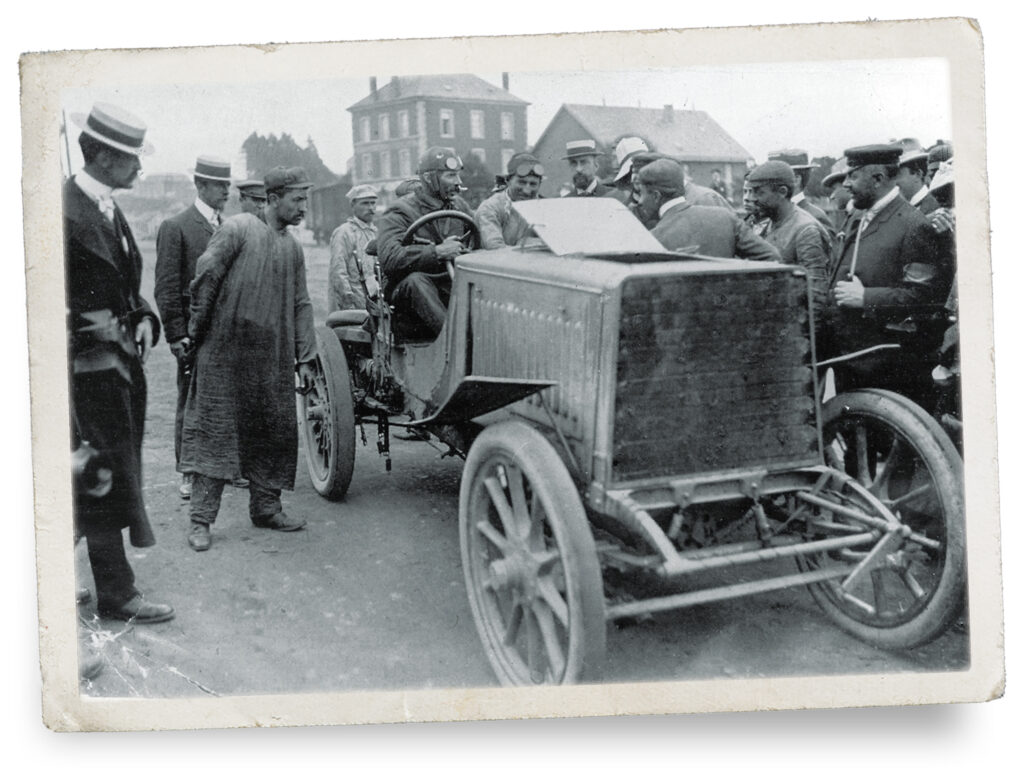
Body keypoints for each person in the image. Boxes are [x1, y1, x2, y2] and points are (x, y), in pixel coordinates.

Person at [65, 102, 175, 626]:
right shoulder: (59, 210)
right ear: (105, 157)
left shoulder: (108, 207)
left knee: (98, 472)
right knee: (96, 473)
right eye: (132, 158)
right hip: (78, 373)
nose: (139, 168)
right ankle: (116, 593)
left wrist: (144, 314)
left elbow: (125, 283)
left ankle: (73, 585)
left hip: (114, 368)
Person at [181, 166, 318, 551]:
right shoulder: (239, 228)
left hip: (271, 358)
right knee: (216, 431)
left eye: (305, 199)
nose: (303, 207)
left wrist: (305, 356)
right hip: (225, 352)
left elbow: (302, 303)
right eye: (297, 199)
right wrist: (197, 332)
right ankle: (201, 520)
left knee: (273, 430)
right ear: (273, 199)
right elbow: (206, 275)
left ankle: (266, 507)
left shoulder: (292, 246)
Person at [823, 144, 947, 406]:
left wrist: (866, 297)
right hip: (850, 359)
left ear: (878, 178)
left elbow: (924, 297)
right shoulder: (858, 216)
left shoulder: (914, 225)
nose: (846, 184)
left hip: (885, 367)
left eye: (852, 176)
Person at [155, 155, 232, 500]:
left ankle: (223, 469)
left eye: (228, 185)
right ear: (200, 186)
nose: (226, 191)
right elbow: (166, 286)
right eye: (219, 185)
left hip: (226, 332)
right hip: (193, 333)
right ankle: (187, 473)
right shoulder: (177, 226)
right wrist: (176, 334)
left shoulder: (226, 226)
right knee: (189, 402)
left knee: (224, 400)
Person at [376, 147, 475, 337]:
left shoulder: (460, 207)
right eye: (450, 176)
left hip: (450, 285)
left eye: (458, 176)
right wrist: (437, 252)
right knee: (417, 281)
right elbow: (390, 258)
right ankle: (455, 342)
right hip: (407, 299)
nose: (458, 182)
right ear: (429, 178)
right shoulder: (400, 211)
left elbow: (478, 239)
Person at [636, 158, 779, 261]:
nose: (640, 201)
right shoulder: (724, 217)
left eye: (641, 193)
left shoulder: (653, 239)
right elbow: (772, 257)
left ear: (656, 196)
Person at [746, 160, 831, 331]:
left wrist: (801, 343)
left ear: (782, 192)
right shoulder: (768, 224)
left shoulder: (806, 230)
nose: (752, 199)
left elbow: (816, 298)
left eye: (758, 193)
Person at [475, 152, 543, 249]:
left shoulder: (543, 208)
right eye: (521, 182)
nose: (527, 190)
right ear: (508, 181)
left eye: (533, 184)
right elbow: (495, 248)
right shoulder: (490, 208)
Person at [329, 184, 379, 312]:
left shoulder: (375, 232)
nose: (371, 208)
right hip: (352, 303)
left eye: (373, 203)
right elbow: (338, 271)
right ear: (353, 205)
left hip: (374, 301)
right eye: (365, 203)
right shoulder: (344, 233)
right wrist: (348, 303)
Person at [767, 149, 835, 239]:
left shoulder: (815, 217)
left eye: (776, 179)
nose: (768, 184)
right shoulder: (770, 215)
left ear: (796, 180)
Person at [894, 148, 941, 214]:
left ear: (917, 174)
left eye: (897, 175)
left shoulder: (936, 208)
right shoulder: (901, 210)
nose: (893, 182)